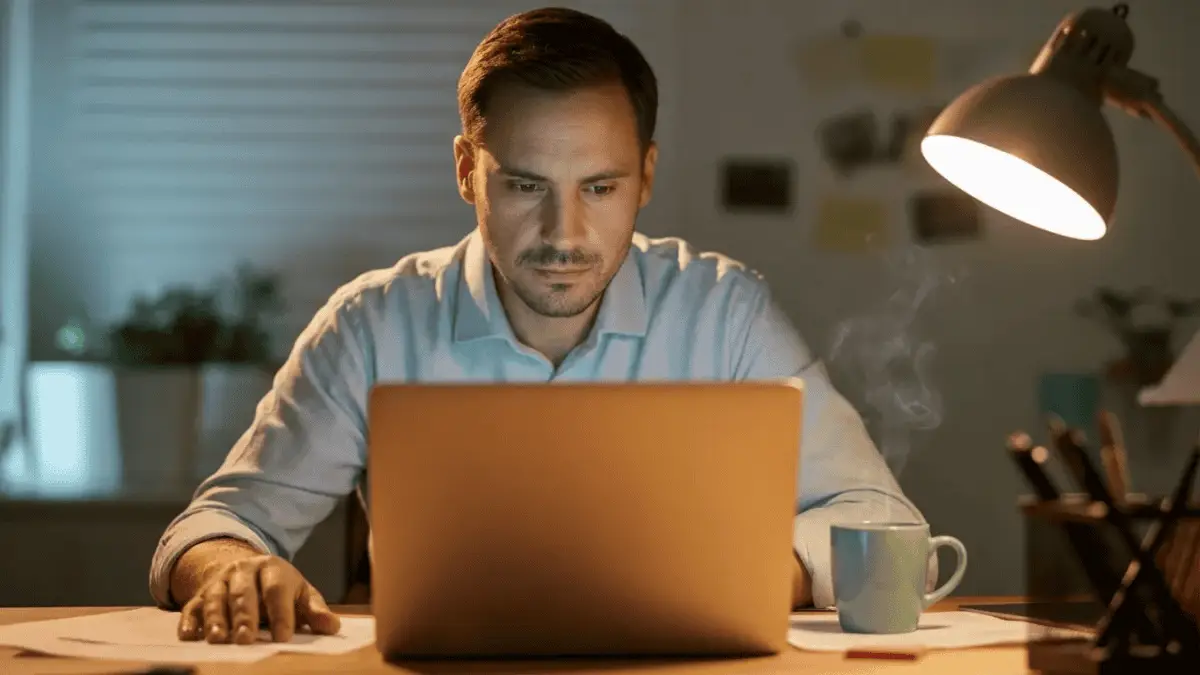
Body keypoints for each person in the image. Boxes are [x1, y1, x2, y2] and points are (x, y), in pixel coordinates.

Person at [151, 7, 928, 645]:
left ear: (646, 177)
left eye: (599, 186)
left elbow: (892, 530)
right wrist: (228, 567)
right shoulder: (373, 323)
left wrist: (776, 570)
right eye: (525, 184)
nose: (565, 231)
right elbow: (217, 524)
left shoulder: (724, 312)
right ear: (465, 170)